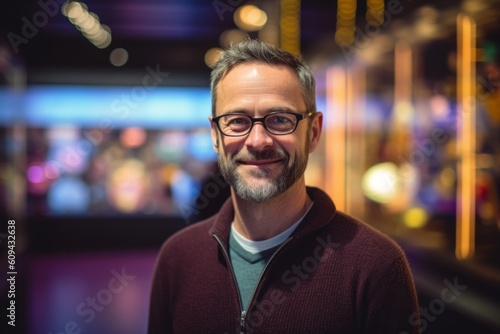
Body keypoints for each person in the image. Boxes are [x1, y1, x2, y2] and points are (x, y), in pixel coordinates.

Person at [148, 39, 421, 334]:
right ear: (216, 136)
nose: (258, 141)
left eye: (280, 119)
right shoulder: (178, 258)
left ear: (313, 132)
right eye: (237, 121)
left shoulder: (376, 265)